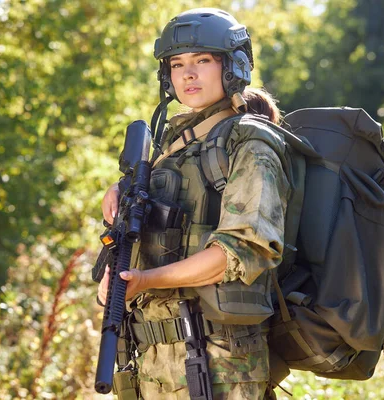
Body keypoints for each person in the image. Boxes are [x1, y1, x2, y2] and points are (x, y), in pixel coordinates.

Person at [98, 8, 289, 400]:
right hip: (151, 364)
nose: (188, 74)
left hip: (219, 366)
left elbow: (241, 251)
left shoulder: (250, 143)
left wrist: (146, 281)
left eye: (203, 60)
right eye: (177, 64)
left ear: (233, 67)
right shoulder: (172, 145)